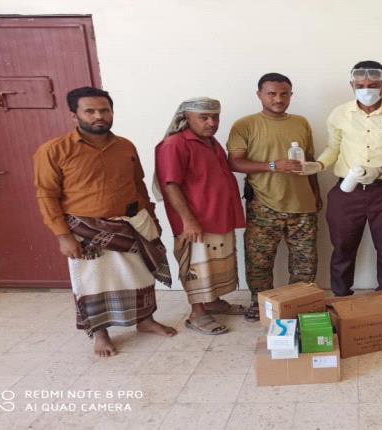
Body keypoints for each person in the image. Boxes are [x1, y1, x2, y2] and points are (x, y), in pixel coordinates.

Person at [33, 87, 176, 357]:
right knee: (95, 284)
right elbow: (46, 195)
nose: (99, 116)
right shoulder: (54, 150)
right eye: (90, 111)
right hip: (87, 231)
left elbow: (138, 184)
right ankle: (101, 333)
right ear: (74, 115)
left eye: (104, 110)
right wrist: (63, 236)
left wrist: (152, 218)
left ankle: (145, 321)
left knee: (141, 275)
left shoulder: (125, 146)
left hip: (132, 224)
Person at [316, 60, 382, 296]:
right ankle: (341, 296)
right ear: (351, 85)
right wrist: (319, 164)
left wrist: (381, 170)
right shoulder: (340, 113)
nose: (366, 90)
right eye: (360, 85)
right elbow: (333, 148)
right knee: (342, 246)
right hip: (347, 190)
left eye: (373, 85)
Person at [227, 73, 321, 321]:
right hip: (263, 204)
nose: (278, 99)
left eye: (284, 94)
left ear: (291, 95)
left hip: (303, 205)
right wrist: (272, 166)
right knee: (259, 261)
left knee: (305, 262)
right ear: (259, 94)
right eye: (271, 94)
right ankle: (259, 304)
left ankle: (299, 304)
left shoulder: (301, 122)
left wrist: (316, 193)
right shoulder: (245, 125)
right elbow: (234, 162)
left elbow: (310, 161)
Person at [155, 97, 246, 334]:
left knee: (216, 263)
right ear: (187, 118)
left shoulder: (210, 142)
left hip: (218, 215)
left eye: (215, 117)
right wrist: (188, 220)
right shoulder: (174, 144)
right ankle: (197, 313)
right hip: (196, 221)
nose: (211, 123)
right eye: (204, 118)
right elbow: (170, 185)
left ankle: (212, 302)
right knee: (197, 265)